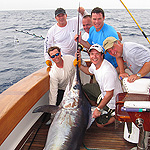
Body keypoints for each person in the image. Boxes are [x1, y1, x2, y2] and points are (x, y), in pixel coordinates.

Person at [74, 44, 123, 128]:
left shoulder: (107, 71)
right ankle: (97, 106)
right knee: (85, 88)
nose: (94, 56)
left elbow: (109, 95)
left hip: (112, 101)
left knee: (99, 124)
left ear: (102, 55)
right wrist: (79, 65)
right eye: (92, 54)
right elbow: (88, 71)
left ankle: (117, 116)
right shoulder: (95, 64)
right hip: (103, 93)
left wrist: (99, 109)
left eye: (97, 54)